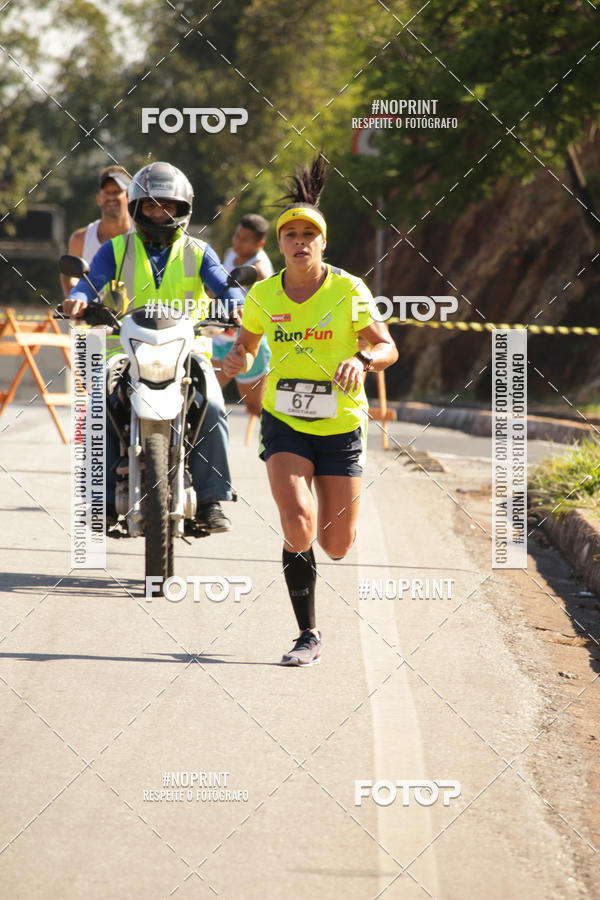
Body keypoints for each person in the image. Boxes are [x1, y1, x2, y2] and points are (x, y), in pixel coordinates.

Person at [223, 157, 398, 665]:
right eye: (291, 235)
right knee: (297, 523)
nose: (300, 242)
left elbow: (388, 347)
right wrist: (238, 360)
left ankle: (329, 532)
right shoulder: (263, 294)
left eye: (309, 234)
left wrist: (362, 360)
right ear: (279, 245)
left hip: (340, 425)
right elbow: (247, 347)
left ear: (323, 242)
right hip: (285, 420)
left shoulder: (348, 290)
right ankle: (308, 634)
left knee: (337, 544)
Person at [63, 161, 243, 533]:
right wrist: (79, 299)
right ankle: (101, 500)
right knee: (97, 404)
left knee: (213, 404)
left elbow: (227, 287)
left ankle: (210, 499)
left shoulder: (199, 251)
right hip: (125, 350)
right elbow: (89, 283)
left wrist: (236, 304)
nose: (159, 212)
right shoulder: (115, 249)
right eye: (150, 205)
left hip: (187, 351)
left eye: (167, 205)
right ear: (136, 208)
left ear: (182, 208)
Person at [211, 214, 274, 417]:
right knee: (206, 395)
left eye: (244, 240)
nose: (237, 241)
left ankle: (281, 434)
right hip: (221, 338)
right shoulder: (231, 254)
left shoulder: (260, 269)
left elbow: (272, 304)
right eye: (237, 235)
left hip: (247, 344)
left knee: (255, 407)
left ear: (259, 244)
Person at [60, 165, 132, 296]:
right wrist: (77, 300)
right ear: (99, 198)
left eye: (117, 192)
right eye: (107, 192)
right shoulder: (80, 239)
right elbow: (69, 276)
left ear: (129, 197)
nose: (111, 197)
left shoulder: (141, 236)